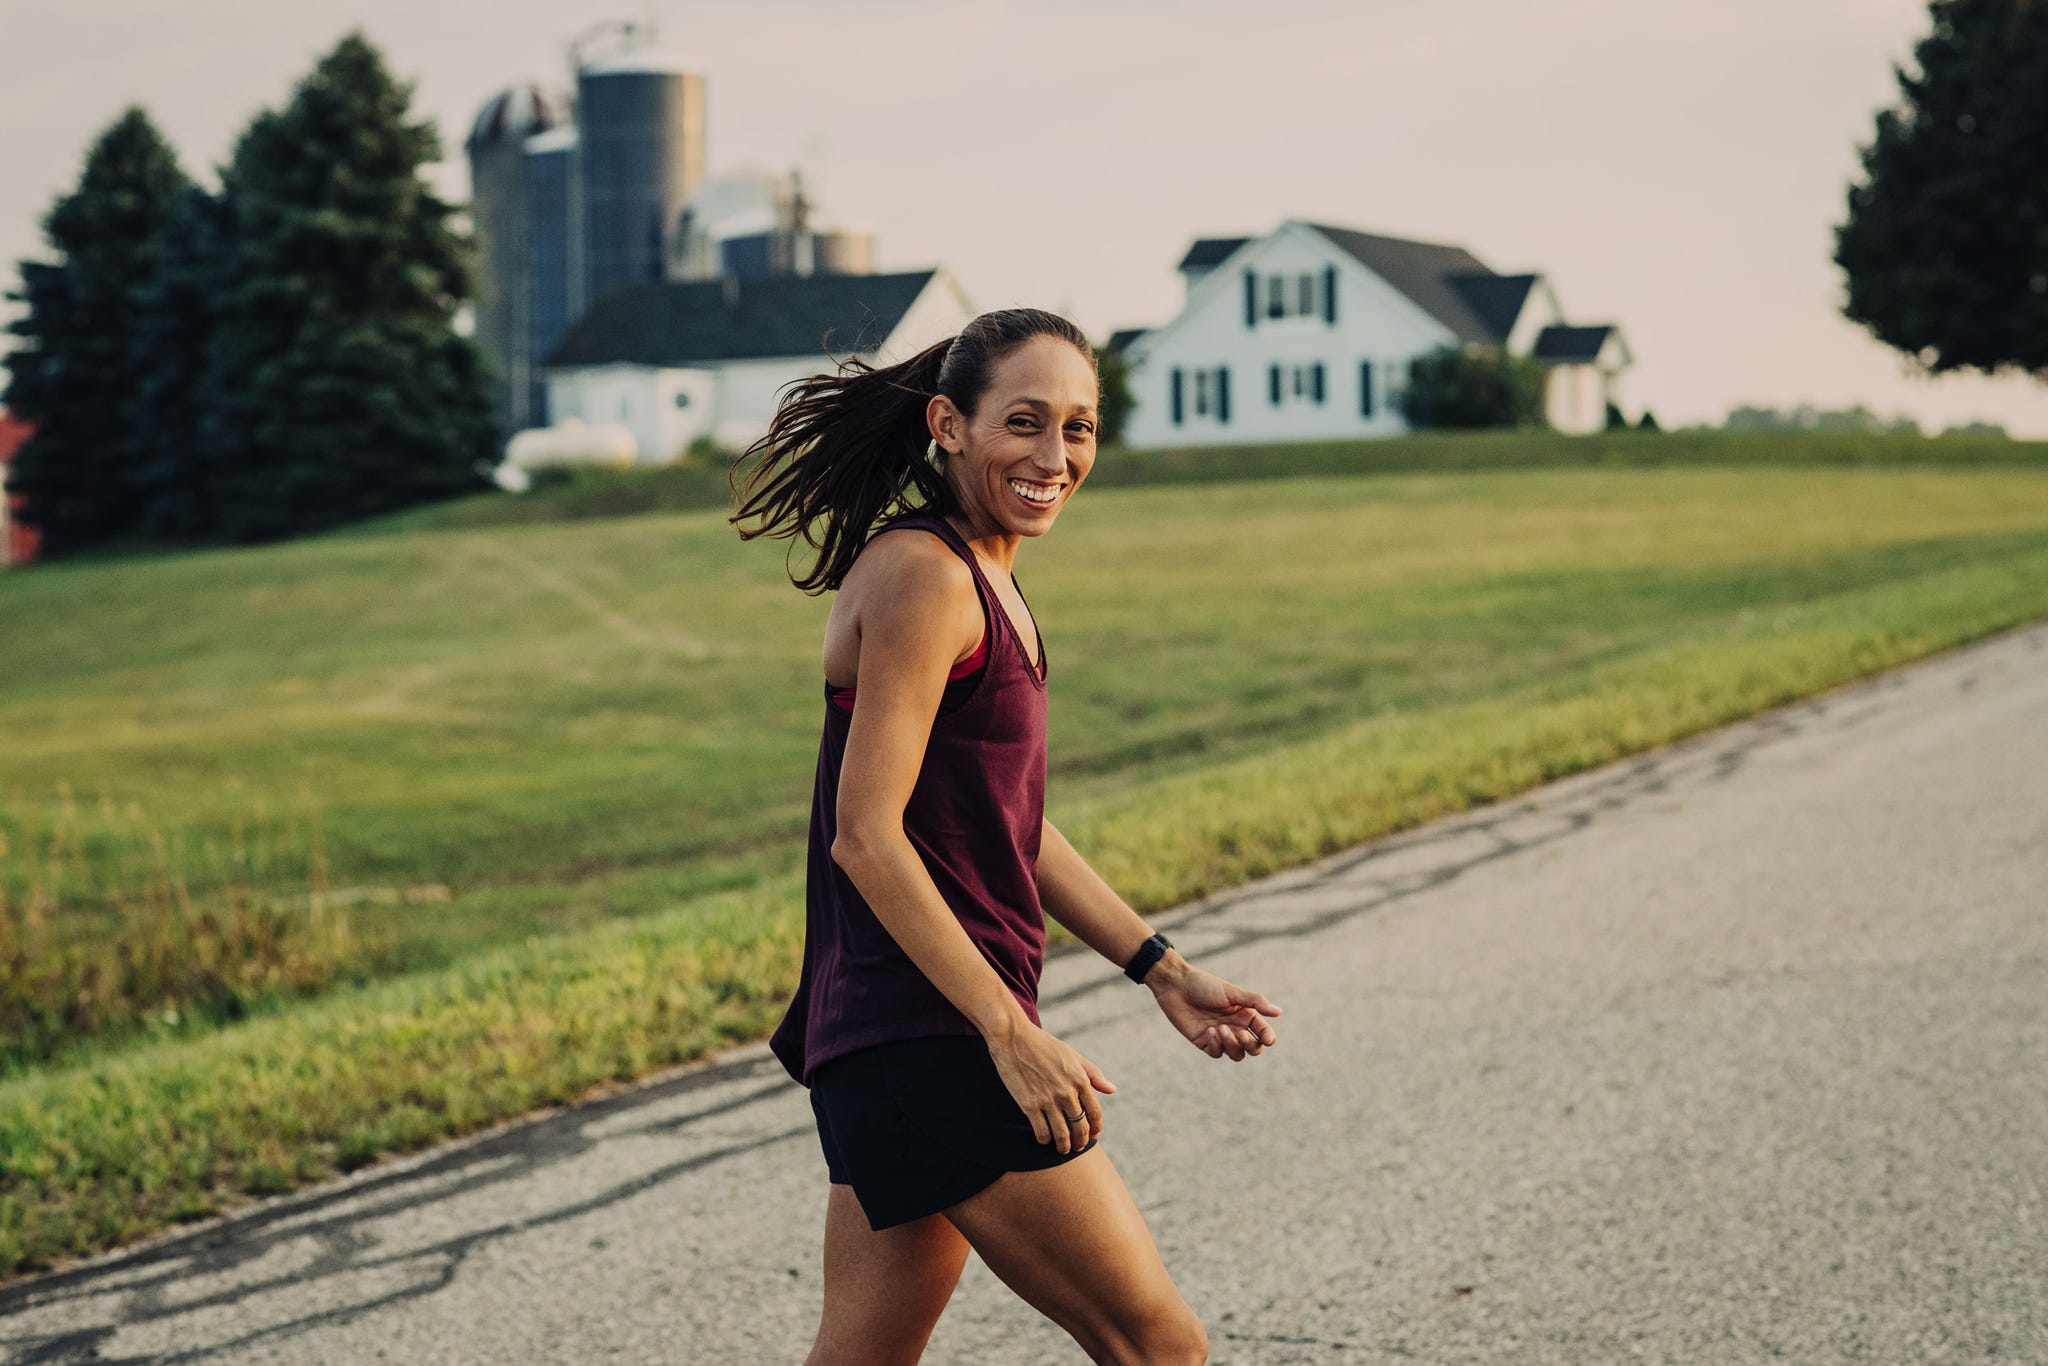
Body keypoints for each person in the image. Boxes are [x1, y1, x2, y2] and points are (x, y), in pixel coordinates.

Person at [731, 308, 1283, 1365]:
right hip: (929, 1033)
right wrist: (1007, 1032)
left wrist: (1158, 966)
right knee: (1156, 1346)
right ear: (948, 422)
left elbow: (1007, 826)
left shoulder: (984, 575)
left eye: (1078, 427)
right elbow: (866, 836)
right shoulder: (925, 575)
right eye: (1023, 422)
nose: (1053, 455)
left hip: (896, 1039)